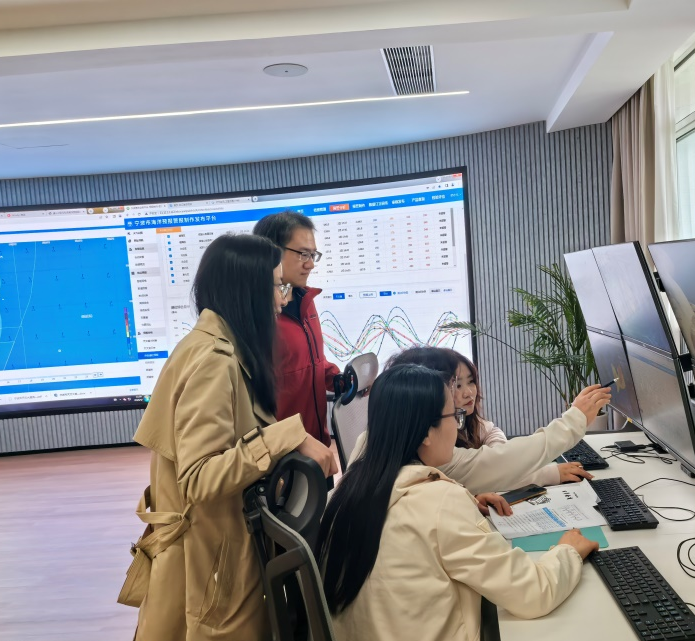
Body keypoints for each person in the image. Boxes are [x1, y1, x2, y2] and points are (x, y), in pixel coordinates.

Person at [124, 234, 336, 641]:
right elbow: (199, 477)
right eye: (277, 286)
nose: (283, 300)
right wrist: (284, 436)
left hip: (214, 556)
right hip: (210, 566)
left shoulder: (216, 347)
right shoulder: (213, 362)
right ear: (247, 292)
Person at [317, 364, 600, 641]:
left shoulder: (346, 491)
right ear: (426, 432)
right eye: (453, 415)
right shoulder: (440, 503)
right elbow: (534, 592)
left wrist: (466, 504)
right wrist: (567, 551)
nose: (457, 424)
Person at [389, 346, 595, 497]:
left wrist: (473, 497)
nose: (467, 393)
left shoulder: (398, 444)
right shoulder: (437, 458)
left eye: (470, 382)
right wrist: (574, 420)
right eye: (455, 386)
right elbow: (500, 465)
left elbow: (493, 447)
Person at [253, 211, 339, 447]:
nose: (310, 264)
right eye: (303, 254)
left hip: (317, 444)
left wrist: (339, 379)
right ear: (271, 252)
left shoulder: (306, 301)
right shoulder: (255, 318)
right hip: (283, 452)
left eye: (313, 255)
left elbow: (309, 363)